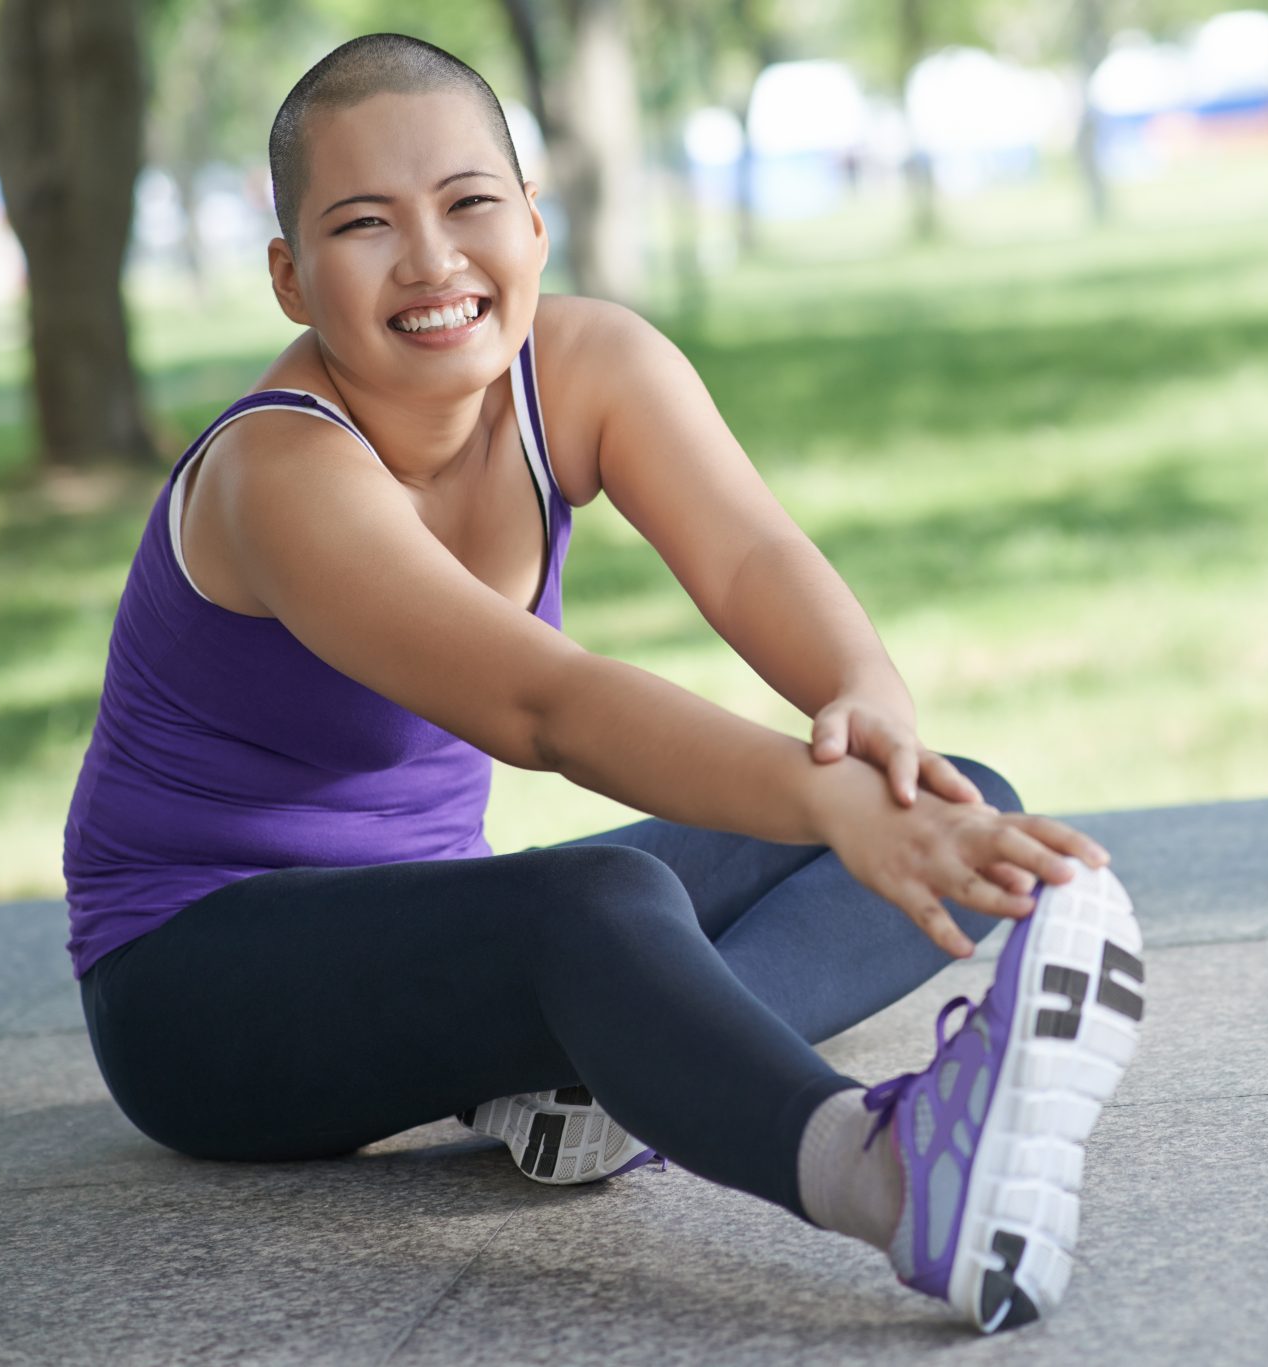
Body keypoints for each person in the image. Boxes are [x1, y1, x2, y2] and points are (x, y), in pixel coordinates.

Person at [63, 33, 1145, 1335]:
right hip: (197, 997)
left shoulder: (585, 366)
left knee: (959, 792)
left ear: (533, 218)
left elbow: (750, 556)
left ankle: (619, 1081)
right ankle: (895, 1179)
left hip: (428, 935)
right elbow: (545, 708)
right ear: (291, 277)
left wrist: (873, 728)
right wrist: (835, 808)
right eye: (364, 225)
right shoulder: (279, 477)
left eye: (469, 204)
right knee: (602, 901)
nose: (431, 259)